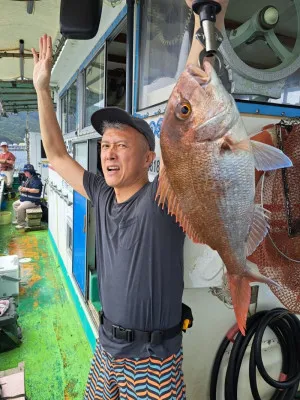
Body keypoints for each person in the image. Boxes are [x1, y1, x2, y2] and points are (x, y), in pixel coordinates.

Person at [31, 0, 228, 398]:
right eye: (105, 145)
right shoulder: (102, 194)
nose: (108, 153)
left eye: (122, 145)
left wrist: (202, 20)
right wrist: (41, 87)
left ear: (149, 158)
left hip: (153, 360)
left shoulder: (164, 195)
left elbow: (186, 103)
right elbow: (55, 155)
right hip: (106, 350)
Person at [12, 164, 43, 229]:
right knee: (14, 204)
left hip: (33, 201)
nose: (24, 173)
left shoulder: (36, 180)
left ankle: (22, 224)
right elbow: (24, 186)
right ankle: (18, 219)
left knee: (20, 208)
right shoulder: (28, 179)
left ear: (30, 172)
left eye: (26, 171)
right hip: (26, 199)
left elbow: (36, 190)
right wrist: (20, 188)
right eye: (24, 171)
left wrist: (25, 189)